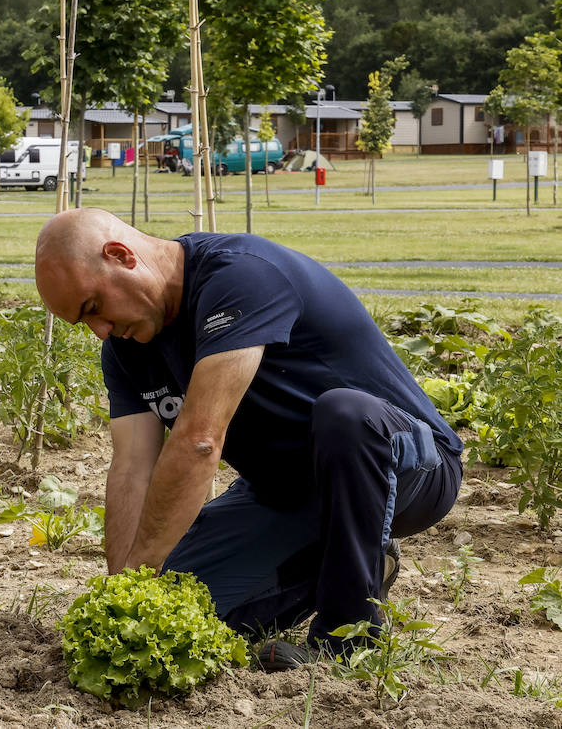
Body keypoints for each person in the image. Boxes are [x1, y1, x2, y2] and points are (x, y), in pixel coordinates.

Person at [34, 208, 462, 670]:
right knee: (183, 604)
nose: (100, 330)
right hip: (286, 495)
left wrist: (141, 573)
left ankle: (348, 639)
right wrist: (124, 596)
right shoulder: (126, 350)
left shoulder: (239, 277)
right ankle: (358, 564)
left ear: (120, 256)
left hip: (408, 464)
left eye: (93, 307)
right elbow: (131, 468)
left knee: (345, 414)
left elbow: (200, 440)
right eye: (84, 323)